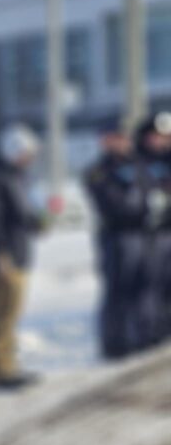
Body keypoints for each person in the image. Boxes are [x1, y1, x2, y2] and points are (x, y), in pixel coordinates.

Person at [0, 123, 46, 389]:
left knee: (12, 313)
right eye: (25, 153)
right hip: (7, 258)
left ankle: (9, 364)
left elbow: (23, 213)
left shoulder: (18, 178)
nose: (29, 158)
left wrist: (39, 222)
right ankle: (0, 369)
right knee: (2, 313)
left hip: (19, 253)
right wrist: (0, 253)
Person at [83, 121, 149, 359]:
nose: (119, 143)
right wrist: (138, 204)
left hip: (141, 234)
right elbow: (114, 204)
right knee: (116, 291)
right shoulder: (98, 170)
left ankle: (137, 337)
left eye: (121, 138)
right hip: (115, 235)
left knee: (139, 290)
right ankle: (114, 343)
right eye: (112, 138)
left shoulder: (137, 165)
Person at [132, 112, 171, 346]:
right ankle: (149, 332)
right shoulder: (138, 161)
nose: (162, 141)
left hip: (168, 229)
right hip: (149, 233)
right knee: (149, 285)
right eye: (157, 136)